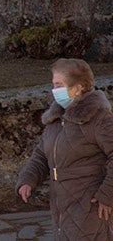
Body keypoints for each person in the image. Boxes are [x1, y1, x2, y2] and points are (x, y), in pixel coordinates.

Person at [17, 58, 113, 240]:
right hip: (62, 202)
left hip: (90, 203)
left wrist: (107, 195)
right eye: (53, 85)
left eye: (59, 85)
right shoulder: (56, 119)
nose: (55, 90)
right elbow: (41, 154)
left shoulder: (99, 119)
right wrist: (27, 179)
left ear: (79, 87)